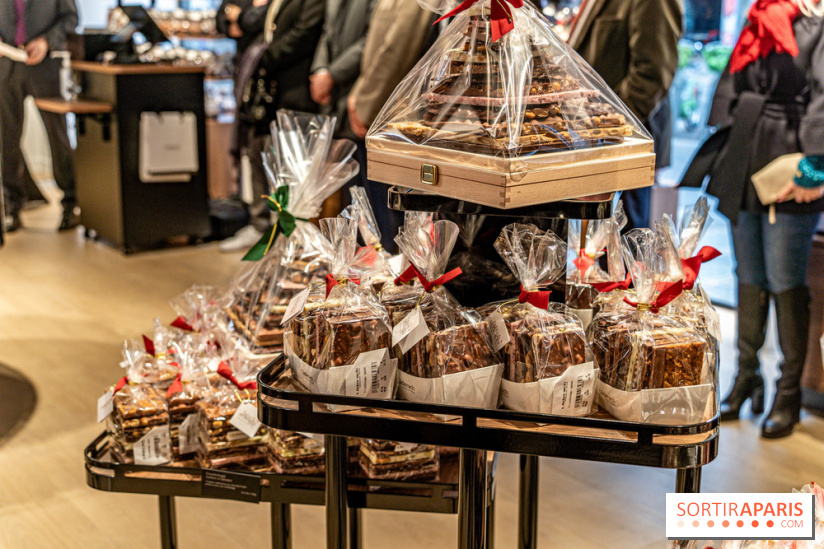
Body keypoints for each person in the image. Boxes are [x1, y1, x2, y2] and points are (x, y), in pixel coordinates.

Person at [682, 0, 824, 438]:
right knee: (749, 275)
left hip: (791, 155)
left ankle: (788, 393)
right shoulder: (760, 15)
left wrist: (816, 165)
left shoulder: (817, 24)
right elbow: (733, 79)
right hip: (745, 152)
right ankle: (747, 379)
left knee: (784, 278)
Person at [219, 0, 325, 252]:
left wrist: (262, 57)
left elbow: (302, 34)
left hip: (295, 90)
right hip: (266, 94)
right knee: (259, 153)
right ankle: (261, 226)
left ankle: (286, 233)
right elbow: (226, 18)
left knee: (289, 166)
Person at [568, 0, 683, 230]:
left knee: (621, 249)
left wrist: (611, 129)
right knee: (596, 247)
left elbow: (651, 76)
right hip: (593, 143)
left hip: (622, 144)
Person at [346, 0, 436, 252]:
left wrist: (364, 104)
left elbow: (396, 50)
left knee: (392, 212)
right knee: (377, 205)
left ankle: (395, 271)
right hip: (380, 108)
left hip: (393, 113)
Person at [0, 0, 79, 232]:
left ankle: (71, 203)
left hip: (45, 67)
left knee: (57, 137)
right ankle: (12, 207)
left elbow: (71, 19)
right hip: (7, 67)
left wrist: (46, 41)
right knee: (7, 140)